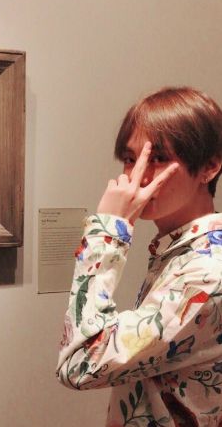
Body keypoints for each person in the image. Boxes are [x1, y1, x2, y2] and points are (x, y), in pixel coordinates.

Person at [56, 87, 222, 427]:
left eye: (157, 158)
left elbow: (80, 366)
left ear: (210, 166)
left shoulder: (207, 271)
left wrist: (107, 232)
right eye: (131, 159)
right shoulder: (180, 251)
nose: (138, 176)